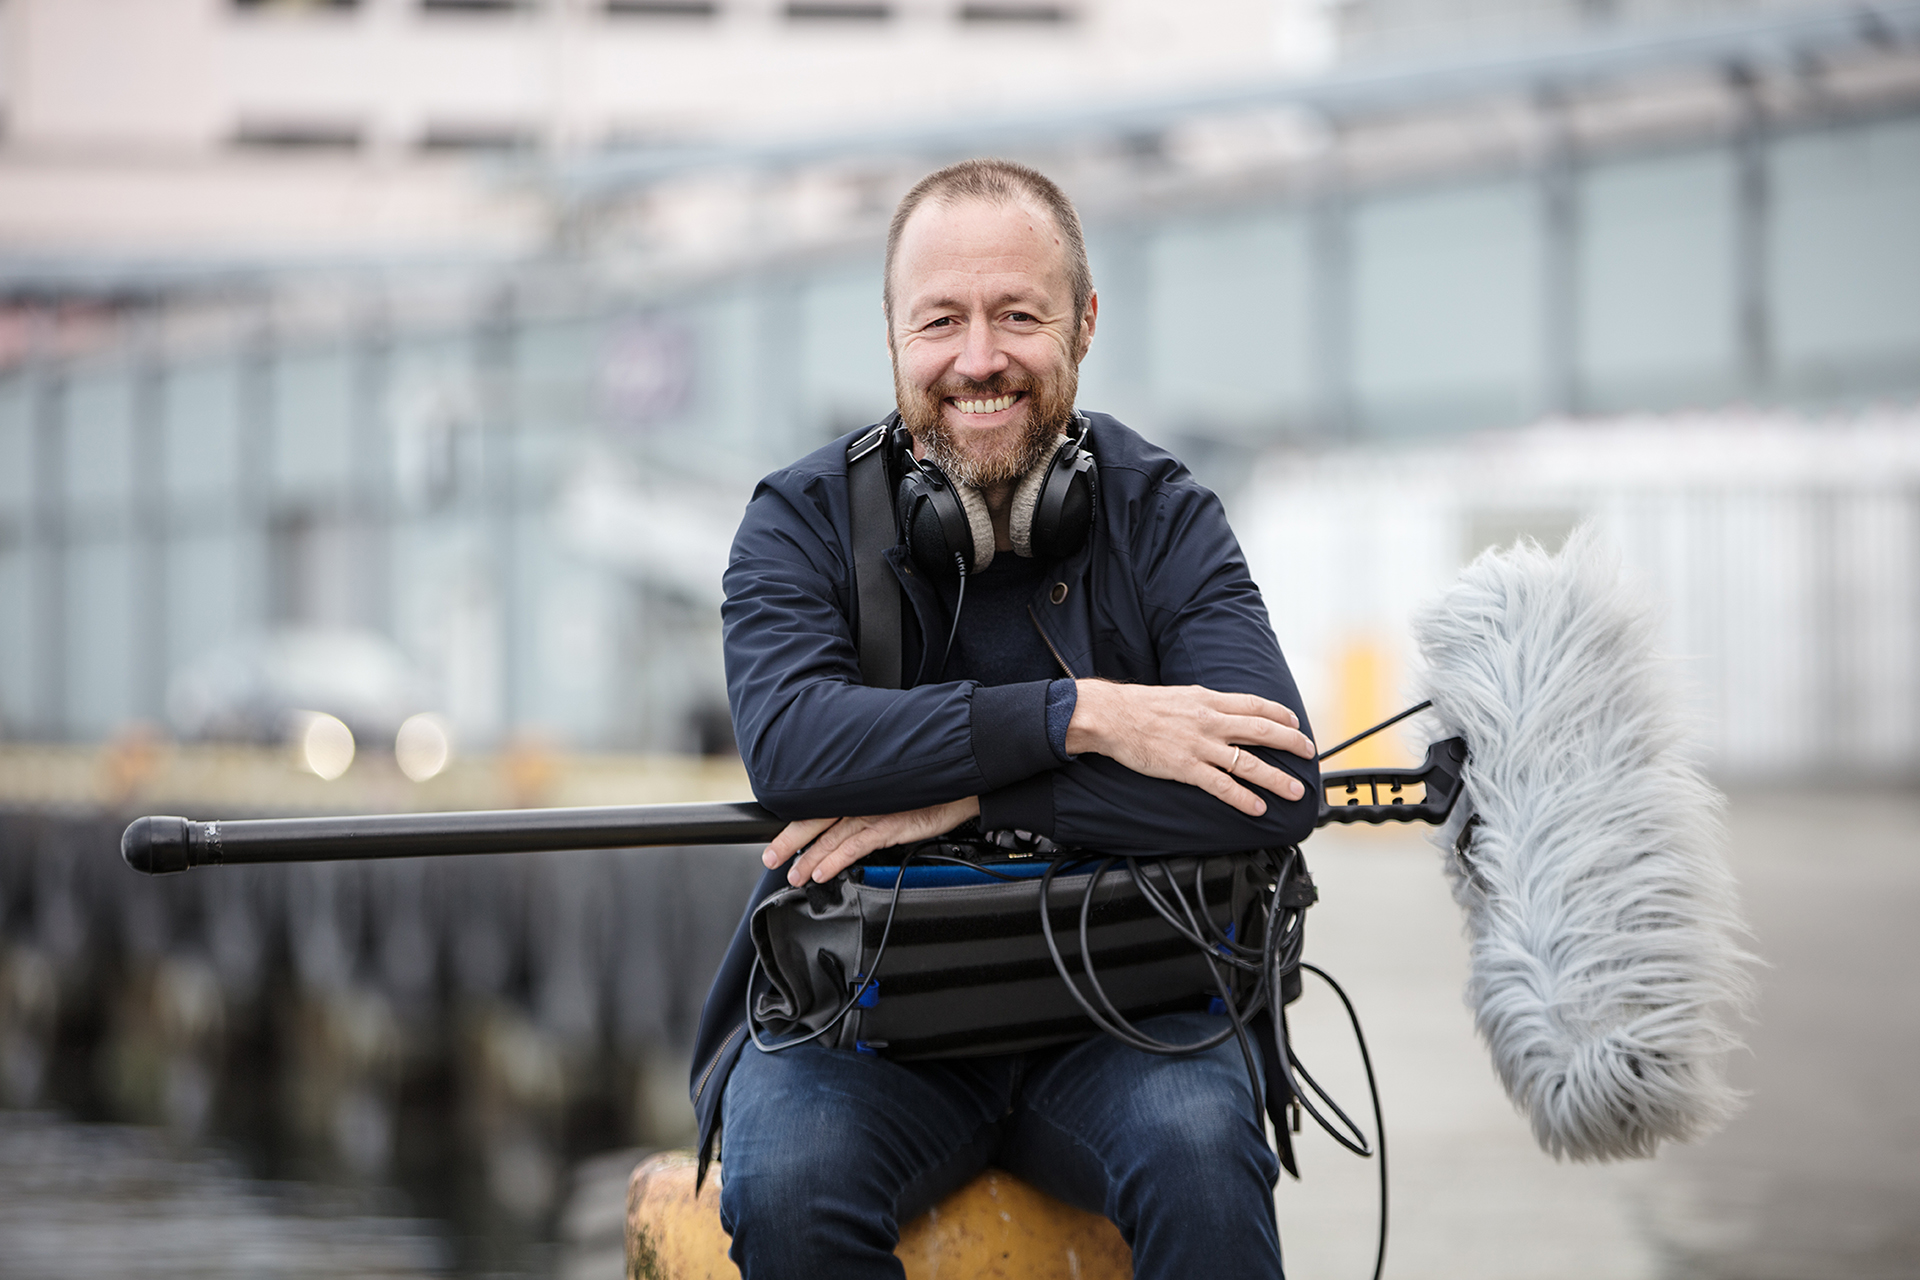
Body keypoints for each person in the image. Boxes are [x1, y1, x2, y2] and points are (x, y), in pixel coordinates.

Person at [688, 158, 1322, 1279]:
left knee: (1201, 1150)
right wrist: (1084, 716)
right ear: (893, 336)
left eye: (1017, 315)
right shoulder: (797, 519)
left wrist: (966, 788)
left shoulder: (1163, 511)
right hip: (863, 1026)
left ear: (1083, 323)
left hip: (1125, 1023)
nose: (979, 358)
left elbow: (1277, 779)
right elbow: (794, 746)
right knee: (786, 1178)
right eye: (942, 320)